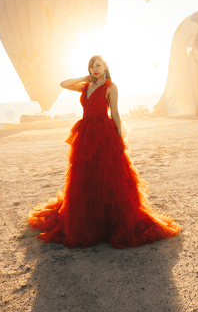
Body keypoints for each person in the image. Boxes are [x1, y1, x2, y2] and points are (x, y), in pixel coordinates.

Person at [28, 55, 180, 248]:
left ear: (105, 66)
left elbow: (115, 112)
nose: (95, 69)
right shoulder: (85, 86)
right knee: (85, 175)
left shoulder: (110, 86)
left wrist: (119, 136)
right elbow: (63, 83)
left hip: (104, 132)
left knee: (109, 176)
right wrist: (84, 77)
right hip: (85, 133)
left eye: (98, 65)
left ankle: (111, 224)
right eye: (92, 66)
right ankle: (90, 221)